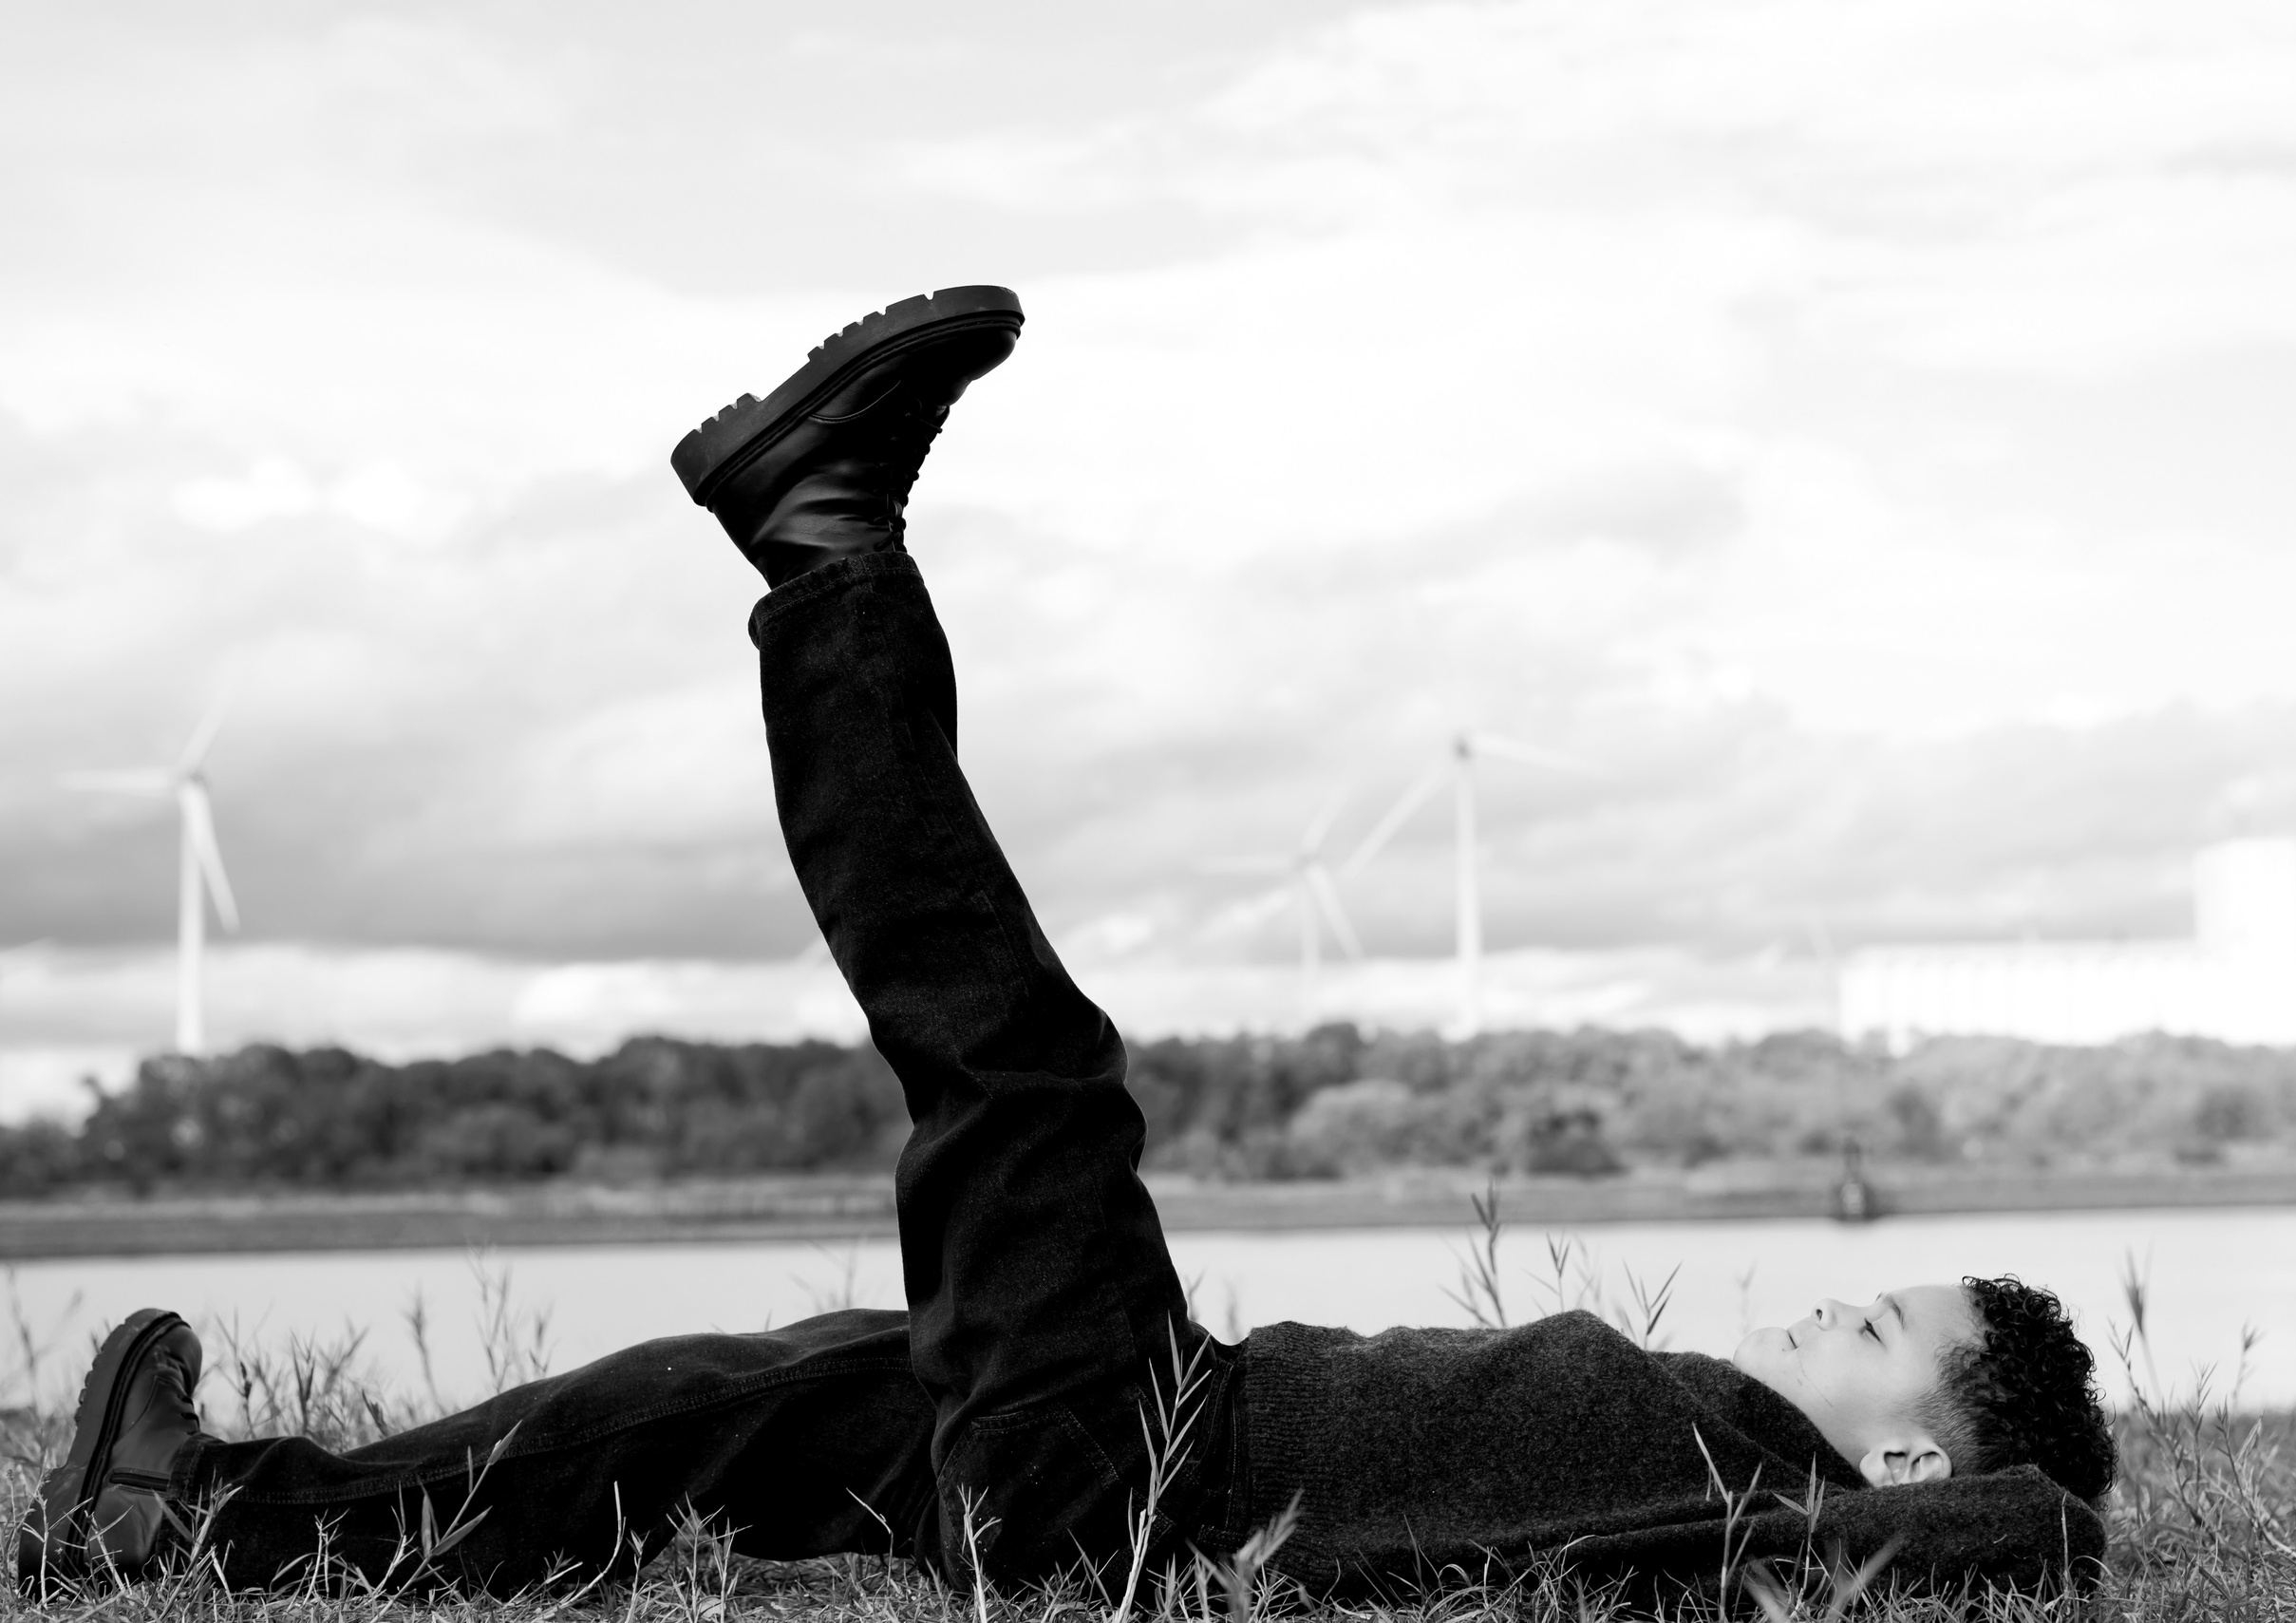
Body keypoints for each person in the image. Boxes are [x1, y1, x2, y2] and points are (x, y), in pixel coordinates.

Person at [16, 288, 2115, 1604]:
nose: (1820, 1307)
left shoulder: (1760, 1506)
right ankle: (204, 1520)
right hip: (1124, 1437)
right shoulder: (1715, 1463)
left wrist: (1997, 1524)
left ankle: (824, 546)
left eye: (1868, 1327)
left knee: (1013, 1060)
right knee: (730, 1404)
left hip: (1138, 1480)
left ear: (1910, 1450)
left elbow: (2013, 1542)